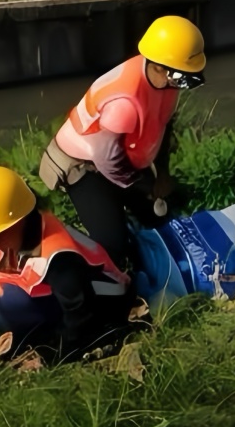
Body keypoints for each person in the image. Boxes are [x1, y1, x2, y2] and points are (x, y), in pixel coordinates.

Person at [39, 16, 207, 271]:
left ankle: (163, 266)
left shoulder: (166, 83)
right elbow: (107, 159)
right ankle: (84, 269)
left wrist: (162, 174)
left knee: (159, 215)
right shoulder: (124, 102)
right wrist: (145, 186)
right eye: (182, 78)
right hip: (84, 164)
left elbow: (164, 127)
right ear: (159, 68)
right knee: (113, 243)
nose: (184, 85)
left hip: (122, 157)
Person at [0, 164, 133, 364]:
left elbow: (80, 307)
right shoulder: (17, 234)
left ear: (17, 220)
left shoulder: (58, 256)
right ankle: (29, 336)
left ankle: (42, 338)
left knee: (11, 301)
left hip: (101, 303)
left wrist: (58, 354)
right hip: (61, 299)